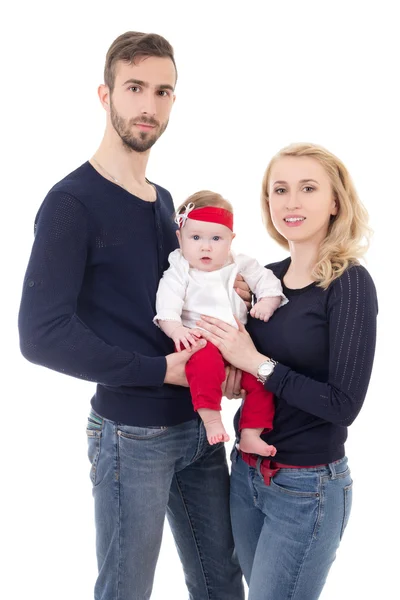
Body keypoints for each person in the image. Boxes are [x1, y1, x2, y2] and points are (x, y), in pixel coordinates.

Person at [18, 31, 245, 600]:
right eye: (135, 88)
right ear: (106, 94)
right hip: (132, 435)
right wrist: (159, 371)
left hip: (199, 425)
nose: (149, 105)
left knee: (222, 584)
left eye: (163, 92)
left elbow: (174, 299)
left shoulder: (165, 200)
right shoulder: (71, 203)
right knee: (126, 591)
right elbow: (40, 335)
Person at [197, 142, 378, 600]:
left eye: (308, 188)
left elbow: (344, 404)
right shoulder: (264, 280)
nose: (291, 202)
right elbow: (253, 368)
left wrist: (257, 363)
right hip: (246, 473)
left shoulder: (349, 283)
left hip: (307, 487)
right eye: (279, 190)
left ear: (335, 201)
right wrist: (237, 375)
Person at [154, 189, 287, 455]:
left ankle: (251, 432)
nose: (206, 246)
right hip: (199, 339)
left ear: (230, 240)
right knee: (203, 366)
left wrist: (266, 301)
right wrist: (176, 328)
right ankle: (212, 419)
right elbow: (166, 303)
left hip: (238, 343)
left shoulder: (239, 262)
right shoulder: (180, 268)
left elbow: (267, 280)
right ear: (180, 238)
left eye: (216, 238)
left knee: (263, 380)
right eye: (195, 237)